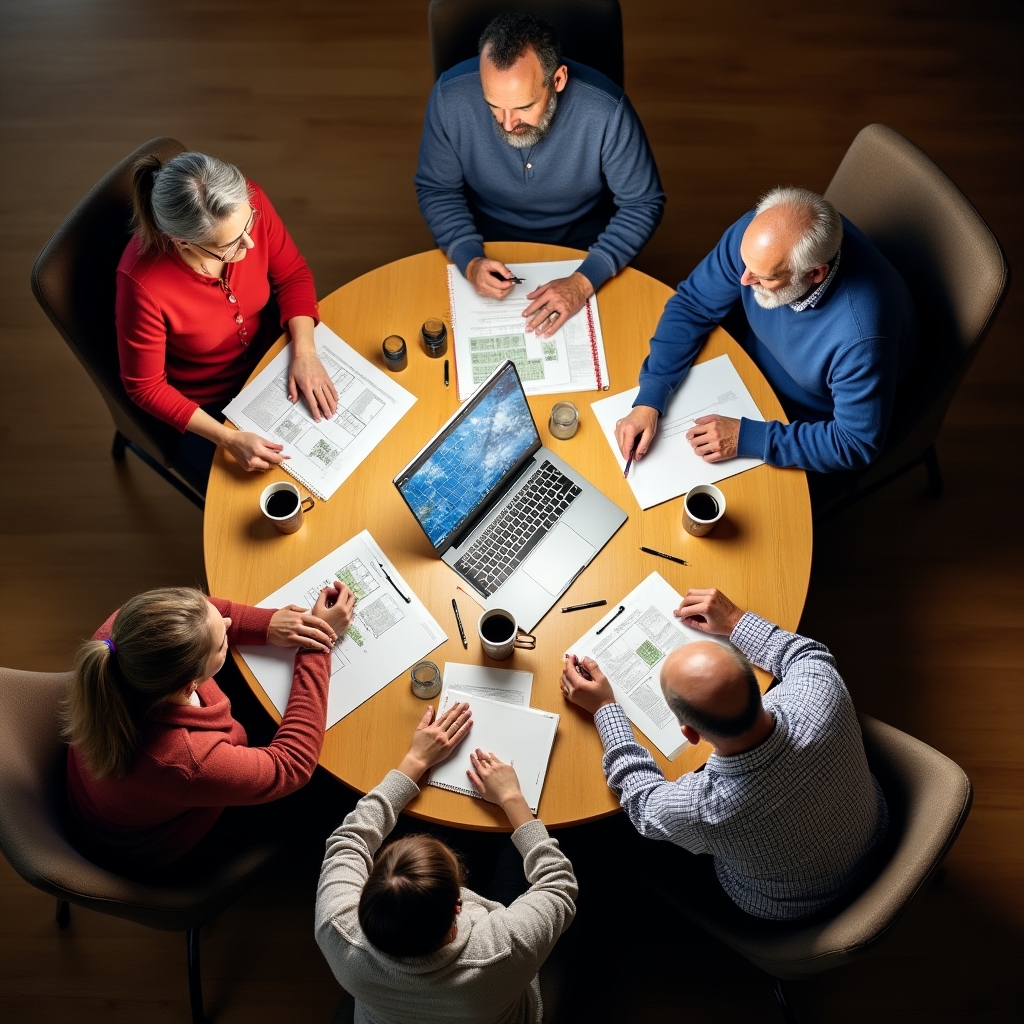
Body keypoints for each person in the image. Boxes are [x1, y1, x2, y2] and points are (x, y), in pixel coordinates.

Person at [560, 588, 888, 921]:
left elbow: (643, 804)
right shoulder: (820, 689)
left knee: (619, 847)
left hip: (793, 907)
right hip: (877, 835)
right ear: (757, 685)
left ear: (689, 733)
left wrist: (604, 707)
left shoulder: (705, 808)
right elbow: (801, 652)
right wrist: (734, 619)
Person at [615, 187, 918, 474]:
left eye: (764, 277)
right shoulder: (762, 236)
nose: (744, 279)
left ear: (814, 273)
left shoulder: (861, 339)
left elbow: (855, 443)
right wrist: (650, 396)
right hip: (744, 367)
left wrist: (747, 439)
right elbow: (694, 304)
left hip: (802, 421)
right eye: (746, 264)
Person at [315, 701, 577, 1023]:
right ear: (459, 903)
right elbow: (560, 884)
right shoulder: (502, 951)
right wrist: (512, 798)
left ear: (364, 890)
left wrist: (415, 761)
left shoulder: (336, 929)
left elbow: (348, 840)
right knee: (528, 840)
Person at [64, 582, 355, 867]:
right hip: (165, 841)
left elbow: (203, 612)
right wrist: (317, 645)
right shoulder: (186, 761)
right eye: (221, 642)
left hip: (116, 799)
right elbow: (291, 766)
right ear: (190, 685)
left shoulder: (126, 634)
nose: (229, 622)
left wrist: (267, 623)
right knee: (329, 798)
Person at [415, 12, 664, 338]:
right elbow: (437, 190)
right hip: (485, 242)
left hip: (586, 248)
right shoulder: (450, 97)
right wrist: (470, 258)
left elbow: (643, 203)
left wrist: (584, 280)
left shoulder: (606, 110)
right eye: (493, 105)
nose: (507, 124)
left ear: (557, 80)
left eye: (523, 106)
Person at [117, 151, 339, 491]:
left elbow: (292, 275)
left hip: (275, 358)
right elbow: (145, 387)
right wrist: (227, 438)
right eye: (231, 244)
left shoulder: (244, 202)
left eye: (248, 224)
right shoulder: (143, 284)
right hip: (209, 405)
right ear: (183, 243)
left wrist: (305, 353)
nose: (250, 243)